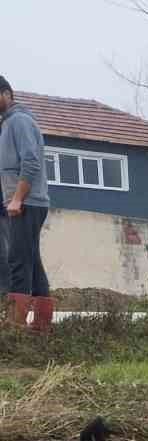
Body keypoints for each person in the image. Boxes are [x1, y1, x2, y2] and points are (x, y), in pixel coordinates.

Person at [0, 76, 52, 333]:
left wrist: (17, 198)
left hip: (26, 202)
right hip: (23, 202)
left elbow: (30, 162)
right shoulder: (8, 124)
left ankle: (15, 329)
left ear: (7, 94)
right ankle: (41, 326)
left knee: (18, 261)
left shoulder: (19, 120)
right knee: (31, 259)